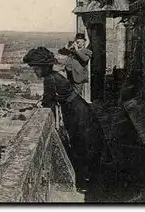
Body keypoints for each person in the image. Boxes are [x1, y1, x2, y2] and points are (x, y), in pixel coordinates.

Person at [23, 47, 104, 192]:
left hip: (76, 113)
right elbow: (51, 99)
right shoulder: (55, 76)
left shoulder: (49, 79)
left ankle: (86, 184)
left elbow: (49, 103)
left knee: (80, 146)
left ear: (43, 67)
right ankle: (88, 181)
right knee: (84, 145)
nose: (34, 72)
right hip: (79, 109)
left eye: (36, 69)